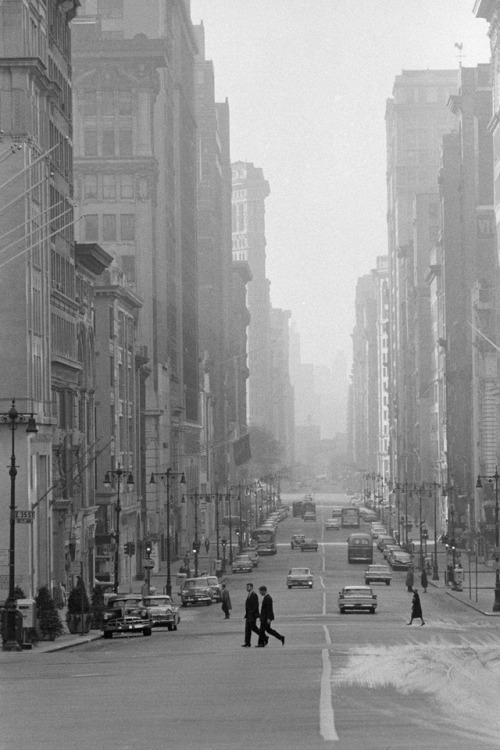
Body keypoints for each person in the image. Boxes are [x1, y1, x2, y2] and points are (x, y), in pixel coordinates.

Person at [242, 582, 260, 647]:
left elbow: (255, 606)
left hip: (252, 615)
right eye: (246, 587)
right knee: (247, 629)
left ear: (252, 587)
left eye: (248, 587)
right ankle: (247, 643)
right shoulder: (249, 594)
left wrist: (251, 614)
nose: (247, 588)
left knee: (254, 628)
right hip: (248, 615)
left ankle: (264, 636)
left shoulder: (254, 595)